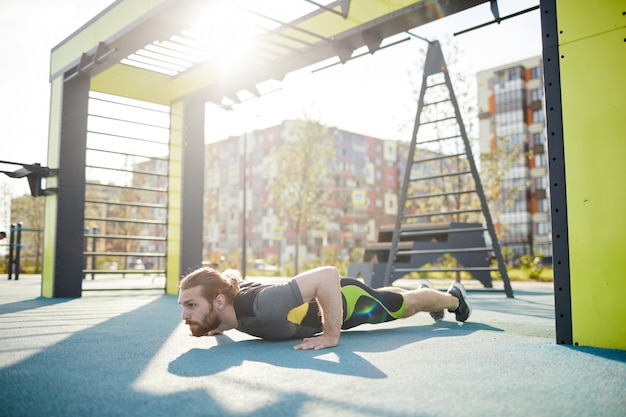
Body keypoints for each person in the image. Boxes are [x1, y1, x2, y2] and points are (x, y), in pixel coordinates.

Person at [178, 266, 471, 351]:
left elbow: (327, 275)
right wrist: (212, 323)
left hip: (348, 302)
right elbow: (232, 273)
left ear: (218, 301)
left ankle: (453, 298)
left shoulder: (264, 305)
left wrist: (332, 333)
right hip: (332, 302)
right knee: (390, 297)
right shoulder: (225, 307)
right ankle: (418, 293)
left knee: (405, 307)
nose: (184, 315)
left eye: (191, 306)